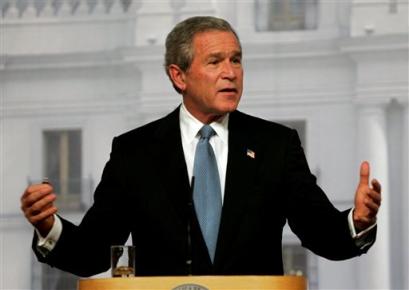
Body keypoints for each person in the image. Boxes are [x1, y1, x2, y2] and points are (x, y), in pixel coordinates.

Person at [21, 16, 381, 277]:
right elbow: (94, 252)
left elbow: (319, 231)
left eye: (236, 60)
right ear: (179, 76)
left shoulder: (275, 145)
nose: (231, 72)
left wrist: (357, 221)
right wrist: (49, 226)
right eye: (215, 61)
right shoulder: (136, 152)